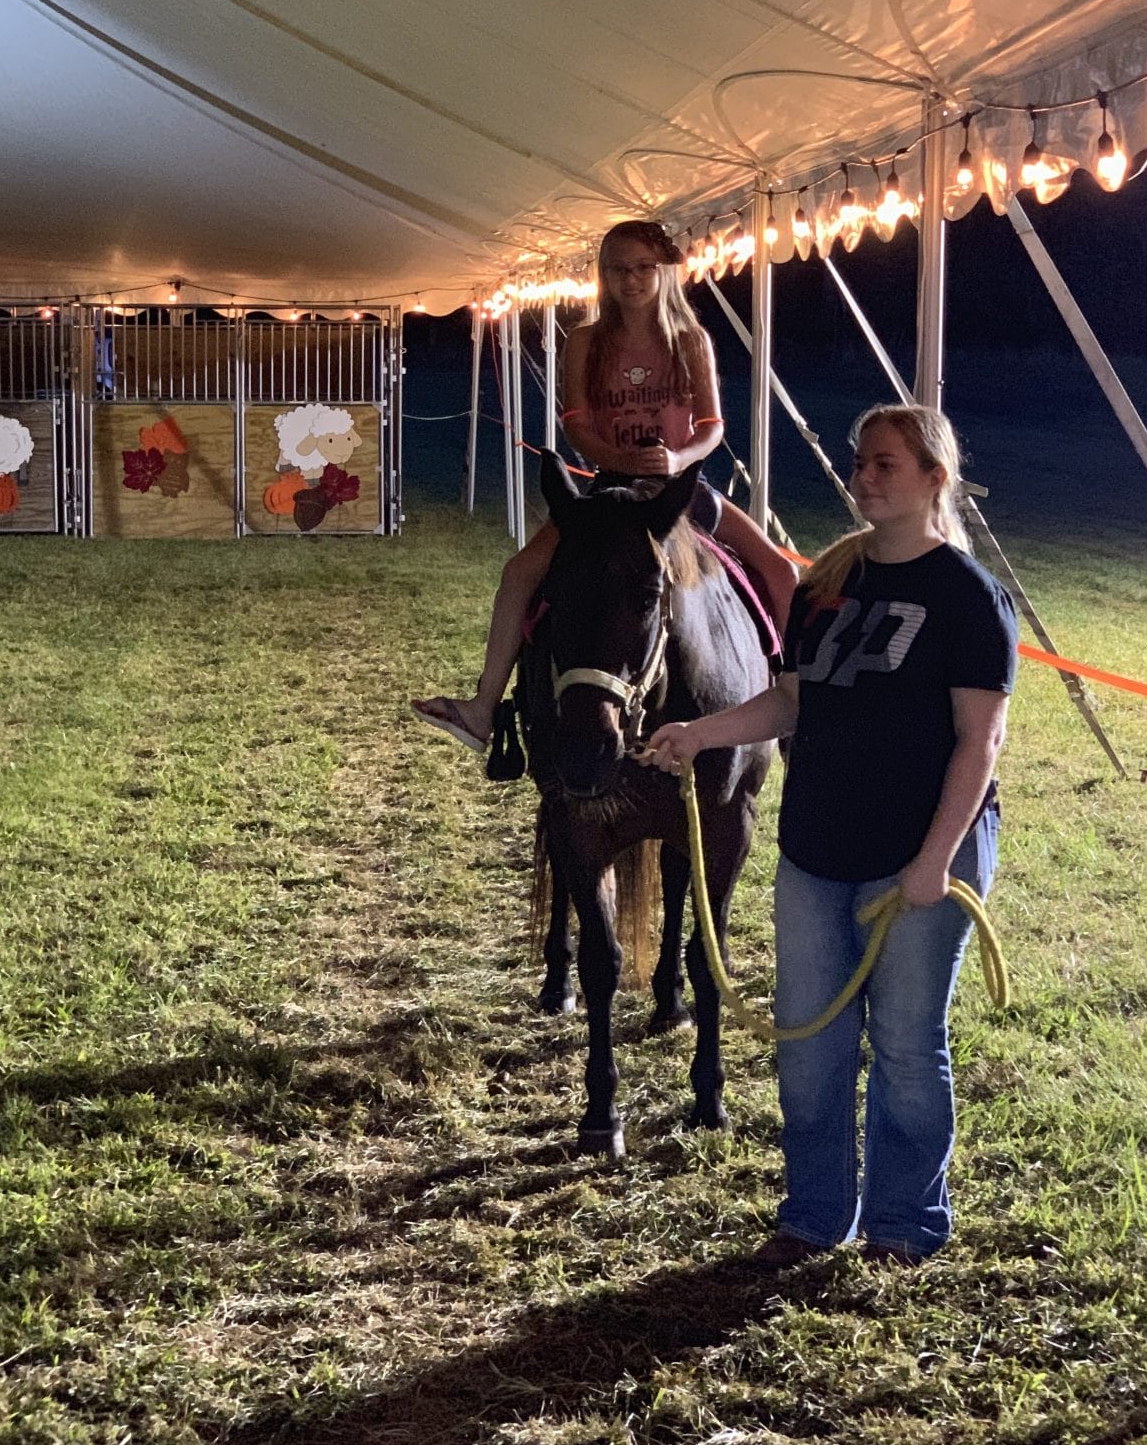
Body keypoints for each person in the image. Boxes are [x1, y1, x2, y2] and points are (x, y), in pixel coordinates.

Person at [645, 404, 1017, 1267]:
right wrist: (699, 734)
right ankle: (815, 1215)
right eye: (860, 463)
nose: (865, 476)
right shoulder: (827, 585)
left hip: (923, 851)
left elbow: (980, 742)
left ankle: (903, 1223)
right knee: (809, 1045)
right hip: (816, 847)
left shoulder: (969, 598)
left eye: (887, 463)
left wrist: (932, 863)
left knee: (904, 1044)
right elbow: (791, 702)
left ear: (936, 478)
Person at [414, 218, 799, 753]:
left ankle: (794, 707)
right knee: (521, 570)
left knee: (780, 570)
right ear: (603, 276)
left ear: (663, 273)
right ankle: (484, 706)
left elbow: (712, 427)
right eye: (619, 269)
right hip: (611, 488)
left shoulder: (689, 340)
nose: (632, 280)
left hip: (679, 489)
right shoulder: (586, 341)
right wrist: (619, 458)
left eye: (644, 268)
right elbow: (576, 423)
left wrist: (677, 458)